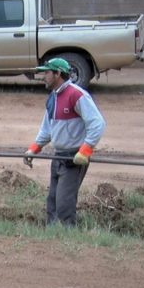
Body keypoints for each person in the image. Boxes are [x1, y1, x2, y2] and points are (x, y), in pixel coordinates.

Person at [23, 58, 106, 226]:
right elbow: (47, 128)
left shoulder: (76, 95)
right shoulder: (52, 98)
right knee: (52, 203)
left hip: (73, 158)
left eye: (47, 72)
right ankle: (53, 235)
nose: (43, 76)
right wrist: (34, 148)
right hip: (58, 156)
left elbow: (97, 123)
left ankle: (69, 235)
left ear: (58, 73)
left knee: (64, 205)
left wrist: (85, 151)